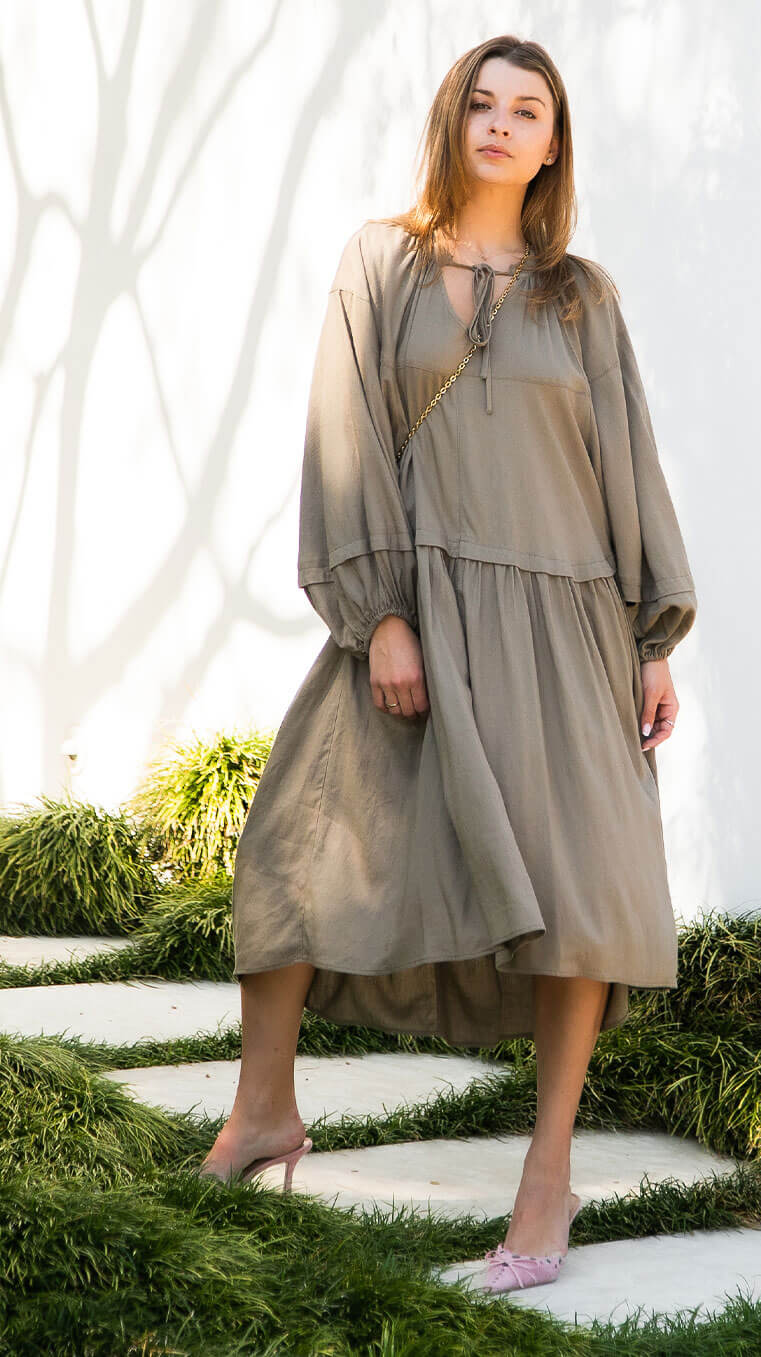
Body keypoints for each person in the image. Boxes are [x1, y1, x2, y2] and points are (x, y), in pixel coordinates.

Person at [199, 35, 697, 1292]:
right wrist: (381, 618)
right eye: (482, 100)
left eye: (528, 109)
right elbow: (345, 435)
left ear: (551, 145)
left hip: (570, 624)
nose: (500, 122)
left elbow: (627, 470)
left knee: (579, 892)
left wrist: (651, 639)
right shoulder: (383, 262)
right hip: (423, 612)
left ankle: (547, 1180)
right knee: (293, 852)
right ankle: (263, 1110)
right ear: (453, 119)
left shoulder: (581, 296)